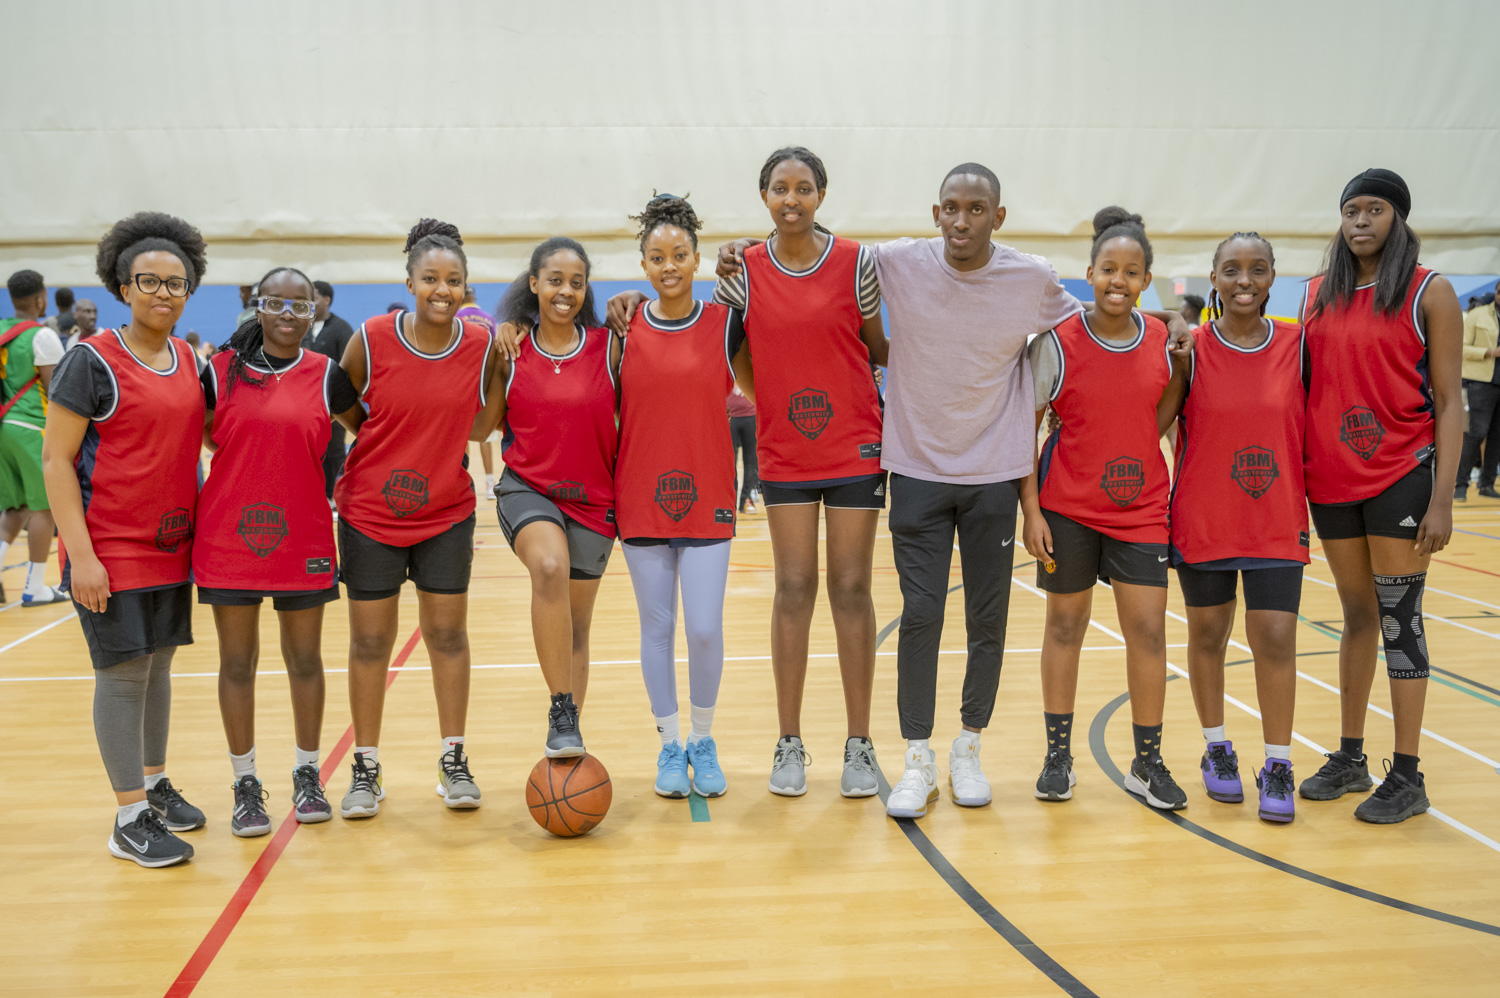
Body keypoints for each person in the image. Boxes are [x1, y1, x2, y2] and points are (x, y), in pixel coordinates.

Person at [700, 146, 889, 799]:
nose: (792, 198)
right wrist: (769, 401)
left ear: (821, 196)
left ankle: (860, 744)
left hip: (855, 444)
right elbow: (730, 354)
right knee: (793, 588)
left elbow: (876, 347)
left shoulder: (857, 262)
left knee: (851, 589)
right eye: (779, 188)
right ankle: (789, 742)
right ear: (764, 197)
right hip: (786, 449)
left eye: (803, 188)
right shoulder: (743, 272)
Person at [42, 211, 209, 867]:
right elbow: (57, 460)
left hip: (172, 546)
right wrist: (81, 557)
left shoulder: (189, 358)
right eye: (149, 281)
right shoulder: (90, 360)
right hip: (109, 549)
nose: (163, 293)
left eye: (176, 283)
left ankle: (153, 784)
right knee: (123, 674)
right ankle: (128, 818)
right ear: (122, 286)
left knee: (159, 666)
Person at [1296, 168, 1463, 824]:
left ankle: (1408, 774)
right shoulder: (1316, 294)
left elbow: (1450, 402)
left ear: (1398, 217)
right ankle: (1350, 756)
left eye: (1375, 209)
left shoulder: (1430, 291)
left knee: (1399, 619)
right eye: (1351, 211)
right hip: (1331, 480)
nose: (1360, 221)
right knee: (1357, 614)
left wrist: (1443, 498)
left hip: (1400, 475)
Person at [1024, 206, 1192, 811]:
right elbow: (1025, 429)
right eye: (1108, 269)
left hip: (1140, 510)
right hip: (1066, 508)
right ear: (1090, 272)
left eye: (1131, 271)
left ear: (1146, 279)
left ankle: (1147, 763)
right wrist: (1031, 511)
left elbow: (1164, 410)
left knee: (1147, 631)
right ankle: (1058, 758)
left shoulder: (1166, 342)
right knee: (1064, 627)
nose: (1118, 280)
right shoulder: (1057, 342)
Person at [333, 219, 497, 819]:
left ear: (465, 287)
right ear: (410, 282)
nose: (441, 290)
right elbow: (343, 401)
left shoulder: (479, 345)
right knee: (370, 642)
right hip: (370, 512)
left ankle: (454, 760)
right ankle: (365, 768)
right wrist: (378, 442)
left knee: (448, 637)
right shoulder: (372, 337)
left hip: (446, 512)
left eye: (453, 280)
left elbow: (482, 426)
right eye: (430, 278)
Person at [196, 267, 364, 836]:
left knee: (305, 660)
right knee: (237, 662)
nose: (288, 314)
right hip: (229, 536)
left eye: (300, 305)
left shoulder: (327, 374)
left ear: (315, 311)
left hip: (304, 534)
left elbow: (369, 432)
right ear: (258, 307)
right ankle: (245, 783)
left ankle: (307, 773)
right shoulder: (220, 370)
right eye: (276, 303)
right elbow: (204, 433)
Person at [614, 194, 752, 799]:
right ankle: (669, 744)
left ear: (697, 259)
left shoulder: (726, 324)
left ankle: (702, 738)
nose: (668, 265)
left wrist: (746, 256)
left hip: (709, 492)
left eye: (678, 255)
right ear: (643, 264)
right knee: (657, 627)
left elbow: (761, 384)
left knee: (703, 628)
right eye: (656, 257)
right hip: (640, 494)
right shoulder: (623, 328)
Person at [1172, 233, 1307, 823]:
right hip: (1204, 514)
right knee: (1208, 635)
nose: (1244, 280)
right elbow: (1156, 419)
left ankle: (1279, 763)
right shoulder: (1191, 348)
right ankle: (1216, 749)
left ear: (1273, 277)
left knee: (1274, 636)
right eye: (1231, 270)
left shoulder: (1299, 345)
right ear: (1214, 279)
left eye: (1257, 269)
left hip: (1276, 515)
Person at [486, 238, 618, 759]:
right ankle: (560, 707)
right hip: (529, 488)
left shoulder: (608, 346)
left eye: (576, 282)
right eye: (555, 280)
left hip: (593, 498)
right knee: (549, 567)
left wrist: (633, 298)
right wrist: (488, 350)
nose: (565, 291)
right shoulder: (511, 350)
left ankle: (570, 733)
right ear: (534, 283)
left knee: (577, 626)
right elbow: (478, 427)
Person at [0, 269, 69, 606]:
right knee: (44, 508)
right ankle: (35, 588)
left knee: (15, 508)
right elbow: (56, 391)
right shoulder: (42, 336)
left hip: (3, 427)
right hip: (31, 427)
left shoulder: (2, 329)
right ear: (41, 299)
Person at [308, 281, 356, 501]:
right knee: (308, 450)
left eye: (314, 297)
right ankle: (314, 494)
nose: (310, 303)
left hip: (332, 404)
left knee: (334, 449)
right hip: (304, 404)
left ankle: (334, 495)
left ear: (326, 300)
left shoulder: (341, 328)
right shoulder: (302, 327)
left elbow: (351, 366)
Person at [1455, 277, 1500, 500]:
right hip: (1481, 382)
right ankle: (1460, 485)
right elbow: (1461, 348)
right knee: (1477, 432)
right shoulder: (1477, 315)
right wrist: (1490, 352)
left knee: (1497, 437)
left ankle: (1487, 485)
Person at [456, 285, 501, 495]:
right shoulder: (490, 319)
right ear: (474, 298)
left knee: (461, 437)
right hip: (484, 385)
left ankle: (461, 481)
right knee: (487, 435)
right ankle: (490, 484)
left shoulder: (455, 317)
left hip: (460, 385)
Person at [727, 385, 758, 513]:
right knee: (729, 462)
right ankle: (730, 501)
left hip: (751, 415)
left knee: (751, 461)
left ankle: (747, 498)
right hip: (729, 416)